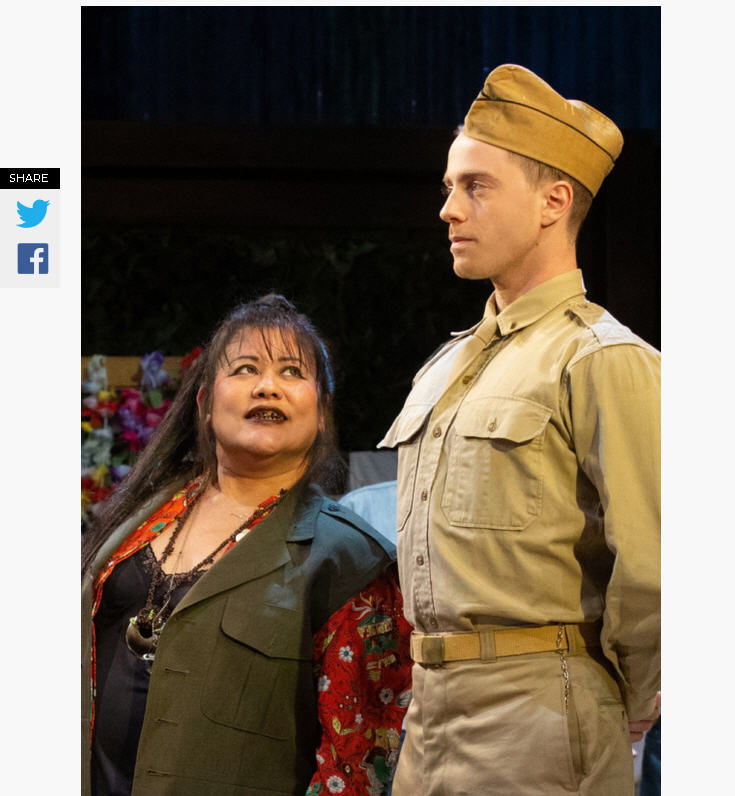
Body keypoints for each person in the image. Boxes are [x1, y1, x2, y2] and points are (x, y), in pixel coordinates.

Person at [379, 64, 660, 795]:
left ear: (552, 202)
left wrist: (626, 704)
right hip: (428, 717)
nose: (448, 208)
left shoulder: (601, 358)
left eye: (476, 186)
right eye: (449, 186)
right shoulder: (442, 370)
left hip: (541, 714)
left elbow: (657, 566)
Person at [82, 295, 413, 796]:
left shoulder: (350, 561)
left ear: (322, 413)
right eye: (245, 368)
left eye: (291, 372)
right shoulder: (138, 522)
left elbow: (356, 765)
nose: (267, 386)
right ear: (204, 405)